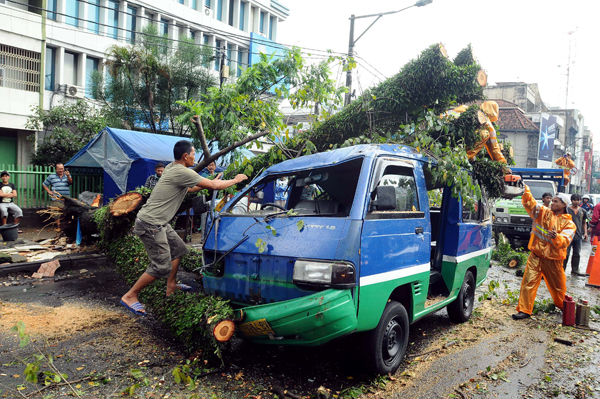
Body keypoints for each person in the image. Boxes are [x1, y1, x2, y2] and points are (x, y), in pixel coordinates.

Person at [120, 140, 248, 316]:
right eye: (194, 153)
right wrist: (235, 179)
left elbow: (188, 189)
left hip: (160, 222)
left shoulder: (173, 168)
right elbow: (214, 186)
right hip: (151, 224)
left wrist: (210, 182)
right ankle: (130, 295)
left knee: (179, 250)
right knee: (161, 267)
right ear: (185, 156)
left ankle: (171, 286)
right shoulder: (181, 170)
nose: (195, 156)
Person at [512, 187, 576, 320]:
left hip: (554, 261)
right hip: (536, 256)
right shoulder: (543, 212)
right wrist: (524, 188)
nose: (552, 203)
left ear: (564, 204)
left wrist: (556, 237)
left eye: (556, 201)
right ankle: (525, 310)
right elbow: (530, 203)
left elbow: (565, 241)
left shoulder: (569, 224)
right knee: (528, 283)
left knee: (558, 288)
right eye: (552, 200)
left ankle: (564, 307)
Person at [563, 193, 588, 276]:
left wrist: (585, 233)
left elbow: (584, 222)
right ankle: (562, 269)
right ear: (571, 200)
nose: (576, 202)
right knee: (566, 253)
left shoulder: (582, 211)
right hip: (568, 235)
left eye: (578, 200)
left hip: (578, 236)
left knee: (577, 253)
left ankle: (575, 269)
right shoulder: (566, 210)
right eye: (575, 200)